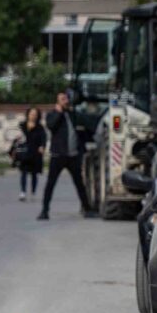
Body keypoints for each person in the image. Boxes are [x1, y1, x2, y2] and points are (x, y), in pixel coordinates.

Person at [38, 90, 88, 220]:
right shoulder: (53, 115)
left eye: (66, 99)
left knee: (79, 183)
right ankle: (45, 210)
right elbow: (51, 126)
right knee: (50, 184)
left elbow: (81, 130)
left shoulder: (72, 114)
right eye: (62, 99)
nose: (65, 101)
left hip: (73, 156)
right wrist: (59, 112)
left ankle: (86, 207)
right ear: (57, 102)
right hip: (58, 155)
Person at [16, 106, 45, 202]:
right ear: (28, 115)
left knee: (34, 174)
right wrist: (18, 138)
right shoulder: (22, 126)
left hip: (35, 152)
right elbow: (17, 137)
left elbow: (43, 138)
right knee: (23, 173)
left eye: (35, 114)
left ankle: (33, 192)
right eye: (31, 114)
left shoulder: (40, 127)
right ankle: (23, 192)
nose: (33, 116)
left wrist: (42, 146)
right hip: (24, 152)